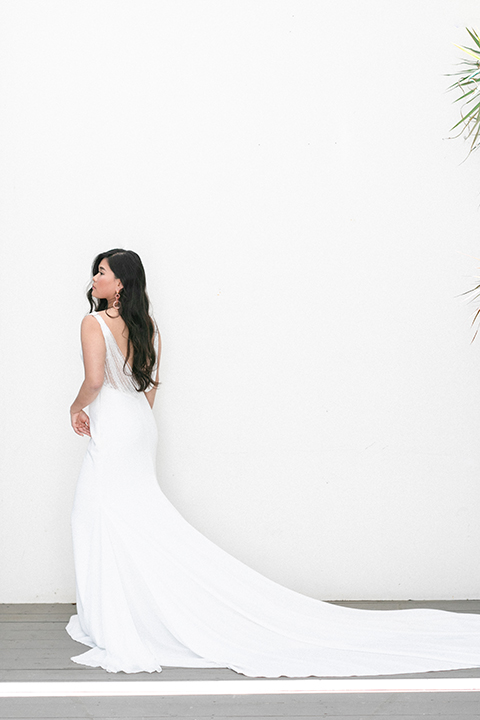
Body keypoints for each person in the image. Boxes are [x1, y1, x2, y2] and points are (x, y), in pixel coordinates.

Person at [67, 248, 480, 676]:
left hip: (113, 425)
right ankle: (136, 609)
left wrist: (75, 408)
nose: (94, 278)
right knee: (136, 515)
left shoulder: (93, 323)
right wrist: (136, 419)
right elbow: (150, 386)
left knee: (97, 513)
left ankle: (118, 617)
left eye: (101, 272)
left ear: (120, 283)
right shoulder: (148, 325)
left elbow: (95, 381)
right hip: (139, 424)